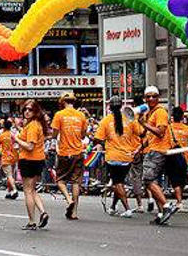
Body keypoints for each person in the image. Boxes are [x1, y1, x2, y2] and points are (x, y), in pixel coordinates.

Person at [94, 96, 142, 218]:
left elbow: (98, 138)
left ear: (109, 106)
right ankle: (113, 207)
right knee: (118, 182)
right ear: (121, 106)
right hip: (127, 157)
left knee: (118, 183)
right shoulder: (130, 118)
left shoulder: (105, 121)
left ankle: (127, 209)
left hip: (113, 157)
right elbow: (141, 132)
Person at [138, 86, 179, 225]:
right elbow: (149, 137)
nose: (151, 99)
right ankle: (161, 214)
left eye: (154, 96)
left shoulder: (160, 112)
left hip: (158, 151)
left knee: (148, 180)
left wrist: (144, 124)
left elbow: (160, 132)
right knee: (152, 182)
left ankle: (166, 206)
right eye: (148, 96)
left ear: (158, 97)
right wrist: (139, 148)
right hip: (153, 149)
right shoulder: (151, 113)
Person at [51, 92, 88, 220]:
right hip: (78, 152)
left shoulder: (59, 115)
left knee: (60, 180)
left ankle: (68, 199)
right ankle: (74, 212)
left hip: (64, 152)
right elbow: (83, 135)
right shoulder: (81, 115)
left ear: (63, 102)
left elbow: (54, 134)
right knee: (76, 181)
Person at [13, 100, 49, 230]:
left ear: (36, 111)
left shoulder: (33, 126)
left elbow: (29, 146)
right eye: (25, 109)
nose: (27, 112)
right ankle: (43, 212)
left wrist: (17, 138)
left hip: (30, 160)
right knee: (32, 189)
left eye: (30, 110)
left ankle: (31, 221)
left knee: (27, 191)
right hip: (36, 159)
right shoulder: (33, 125)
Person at [167, 107, 188, 209]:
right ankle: (179, 198)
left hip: (172, 156)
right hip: (184, 157)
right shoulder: (187, 129)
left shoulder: (169, 128)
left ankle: (179, 201)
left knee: (174, 180)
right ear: (182, 117)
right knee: (181, 179)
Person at [0, 120, 18, 199]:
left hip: (6, 157)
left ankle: (14, 190)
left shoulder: (2, 136)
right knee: (10, 175)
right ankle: (9, 192)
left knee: (9, 175)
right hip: (14, 156)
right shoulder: (12, 134)